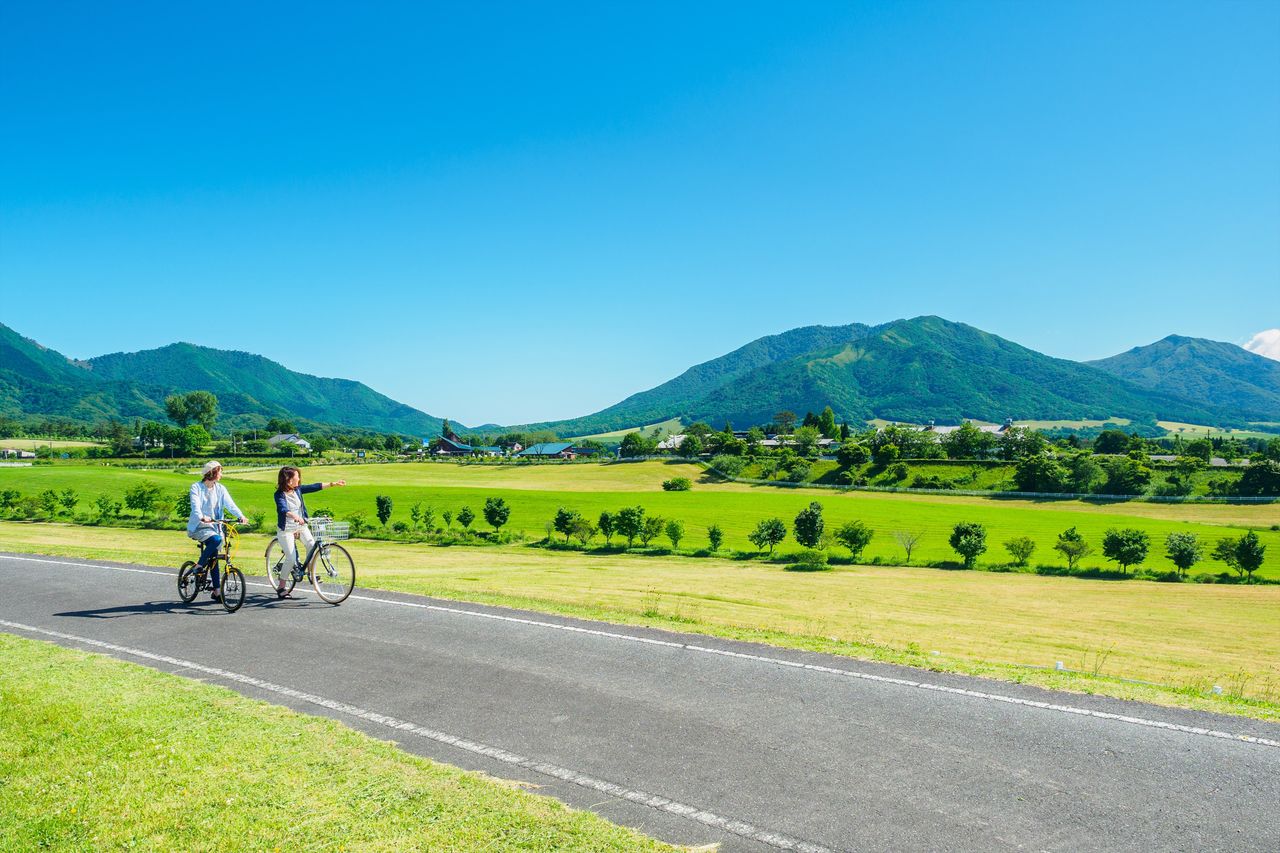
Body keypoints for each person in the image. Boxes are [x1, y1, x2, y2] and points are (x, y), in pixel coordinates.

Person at [273, 466, 346, 594]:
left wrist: (333, 484)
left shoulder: (297, 490)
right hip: (286, 530)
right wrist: (294, 516)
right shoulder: (279, 494)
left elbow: (314, 487)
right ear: (289, 479)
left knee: (312, 546)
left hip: (301, 526)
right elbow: (283, 509)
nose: (299, 479)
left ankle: (310, 572)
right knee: (291, 558)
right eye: (297, 477)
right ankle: (281, 586)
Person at [187, 460, 247, 601]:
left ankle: (217, 591)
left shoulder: (220, 489)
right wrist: (202, 517)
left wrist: (241, 516)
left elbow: (230, 504)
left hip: (215, 526)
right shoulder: (196, 487)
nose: (221, 474)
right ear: (212, 472)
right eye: (220, 471)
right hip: (200, 526)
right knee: (216, 540)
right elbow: (195, 506)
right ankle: (199, 565)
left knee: (214, 557)